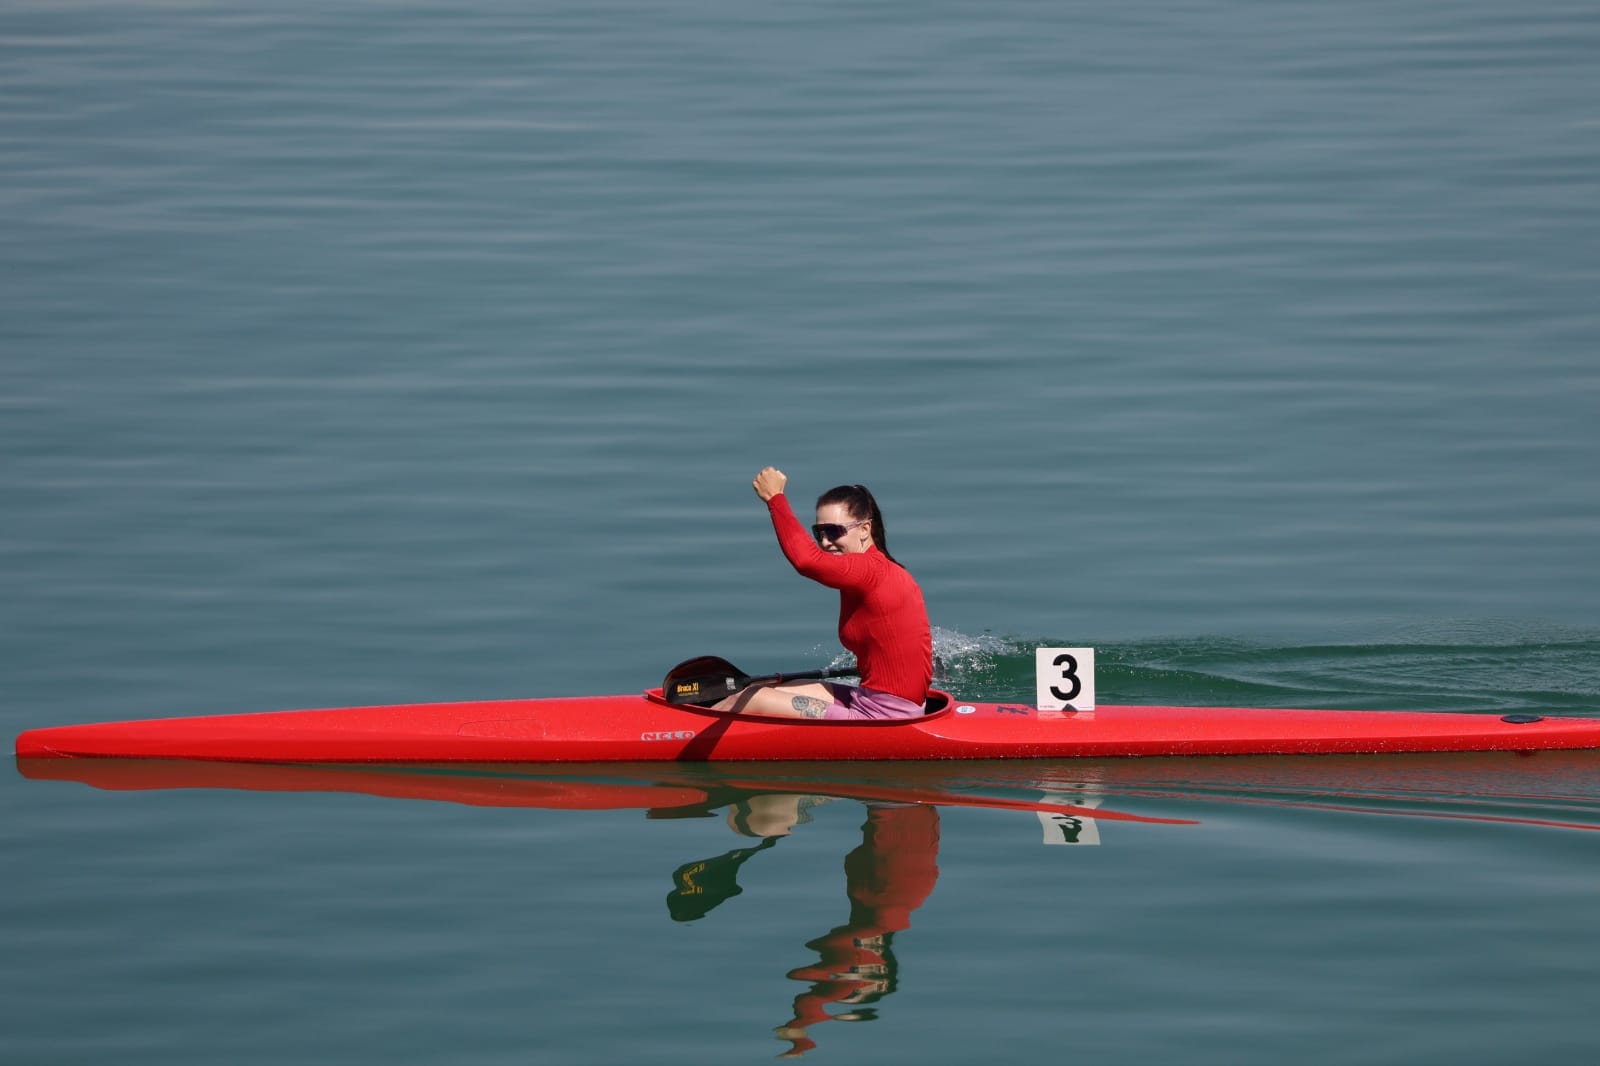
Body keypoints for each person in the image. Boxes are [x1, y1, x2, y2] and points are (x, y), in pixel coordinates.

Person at [714, 467, 933, 720]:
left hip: (885, 717)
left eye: (835, 531)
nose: (826, 541)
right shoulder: (881, 571)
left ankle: (674, 733)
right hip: (872, 698)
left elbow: (807, 561)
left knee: (751, 699)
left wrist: (775, 498)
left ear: (864, 530)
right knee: (756, 689)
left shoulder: (869, 571)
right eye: (820, 533)